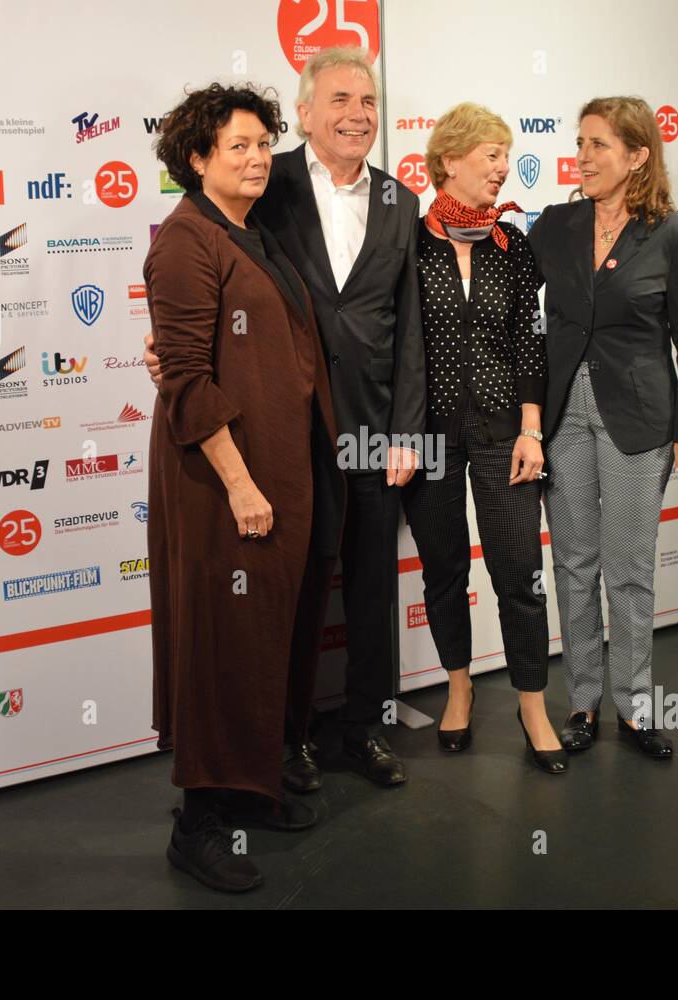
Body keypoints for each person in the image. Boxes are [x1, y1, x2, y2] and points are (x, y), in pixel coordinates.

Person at [146, 47, 424, 790]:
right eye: (339, 99)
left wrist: (405, 427)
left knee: (369, 586)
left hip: (368, 427)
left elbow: (410, 326)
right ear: (304, 113)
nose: (356, 114)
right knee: (289, 591)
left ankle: (364, 728)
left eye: (367, 100)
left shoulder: (402, 201)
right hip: (285, 434)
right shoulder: (266, 186)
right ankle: (285, 741)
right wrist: (169, 353)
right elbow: (208, 291)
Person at [146, 82, 346, 892]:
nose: (258, 156)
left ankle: (252, 789)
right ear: (197, 159)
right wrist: (239, 484)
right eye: (238, 145)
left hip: (284, 471)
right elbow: (187, 380)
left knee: (270, 635)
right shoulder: (185, 240)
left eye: (264, 143)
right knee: (221, 644)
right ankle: (197, 824)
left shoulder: (252, 232)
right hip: (223, 481)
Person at [526, 96, 678, 760]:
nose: (582, 155)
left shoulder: (673, 237)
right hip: (561, 416)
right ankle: (582, 703)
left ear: (638, 156)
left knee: (628, 569)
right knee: (573, 565)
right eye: (580, 142)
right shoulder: (555, 224)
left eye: (598, 144)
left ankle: (634, 708)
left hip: (639, 418)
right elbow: (512, 297)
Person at [401, 103, 566, 774]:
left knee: (519, 574)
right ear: (449, 161)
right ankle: (459, 686)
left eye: (506, 154)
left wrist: (532, 429)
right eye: (491, 155)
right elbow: (395, 347)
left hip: (506, 435)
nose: (504, 167)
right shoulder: (409, 242)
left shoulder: (512, 244)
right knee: (444, 571)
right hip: (432, 437)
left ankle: (531, 703)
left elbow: (531, 340)